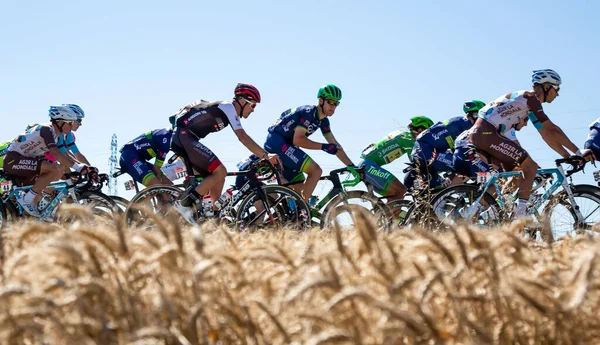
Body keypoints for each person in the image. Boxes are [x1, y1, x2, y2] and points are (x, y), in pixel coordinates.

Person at [464, 69, 593, 219]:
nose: (557, 94)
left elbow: (546, 135)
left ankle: (488, 214)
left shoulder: (528, 104)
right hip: (486, 134)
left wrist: (567, 156)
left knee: (519, 173)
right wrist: (578, 152)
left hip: (483, 135)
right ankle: (521, 215)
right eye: (556, 89)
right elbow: (552, 129)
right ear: (546, 87)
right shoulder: (530, 98)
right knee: (530, 166)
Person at [170, 83, 281, 222]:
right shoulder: (228, 107)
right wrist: (266, 155)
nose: (253, 110)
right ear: (242, 101)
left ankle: (211, 217)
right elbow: (242, 137)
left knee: (218, 177)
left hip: (185, 138)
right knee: (220, 171)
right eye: (252, 105)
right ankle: (184, 206)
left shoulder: (227, 109)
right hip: (185, 137)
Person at [264, 84, 354, 204]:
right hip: (278, 142)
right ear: (321, 101)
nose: (333, 106)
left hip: (286, 144)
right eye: (330, 102)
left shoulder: (323, 121)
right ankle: (304, 211)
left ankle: (292, 217)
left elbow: (336, 145)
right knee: (316, 171)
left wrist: (353, 167)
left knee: (300, 187)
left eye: (336, 103)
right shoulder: (309, 112)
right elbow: (298, 140)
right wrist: (324, 147)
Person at [3, 105, 89, 216]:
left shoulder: (57, 136)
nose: (72, 126)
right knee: (56, 168)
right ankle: (27, 200)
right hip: (13, 160)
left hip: (26, 160)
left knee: (59, 171)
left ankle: (38, 207)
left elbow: (65, 157)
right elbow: (56, 154)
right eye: (70, 123)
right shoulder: (47, 129)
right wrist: (78, 167)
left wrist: (80, 169)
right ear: (60, 122)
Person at [404, 100, 486, 191]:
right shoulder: (466, 124)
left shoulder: (459, 121)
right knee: (464, 166)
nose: (481, 121)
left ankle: (442, 199)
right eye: (480, 117)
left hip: (423, 151)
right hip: (426, 151)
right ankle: (485, 180)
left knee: (443, 184)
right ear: (475, 115)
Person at [358, 116, 434, 200]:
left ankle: (381, 213)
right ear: (420, 130)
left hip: (366, 166)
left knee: (393, 198)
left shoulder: (403, 135)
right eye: (427, 133)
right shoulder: (408, 139)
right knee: (401, 190)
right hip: (368, 167)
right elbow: (417, 161)